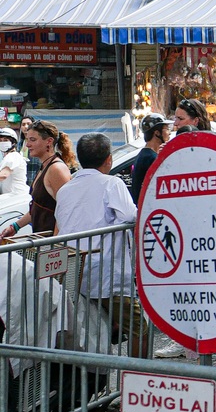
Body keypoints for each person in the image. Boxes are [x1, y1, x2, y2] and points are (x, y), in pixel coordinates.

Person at [53, 133, 148, 358]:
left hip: (75, 275)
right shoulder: (111, 183)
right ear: (109, 160)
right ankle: (137, 380)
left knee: (92, 331)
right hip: (105, 277)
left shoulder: (66, 189)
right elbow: (130, 215)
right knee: (141, 329)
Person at [1, 120, 76, 238]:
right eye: (27, 139)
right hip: (42, 242)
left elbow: (67, 211)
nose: (27, 145)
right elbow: (38, 206)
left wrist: (55, 245)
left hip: (52, 246)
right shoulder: (45, 166)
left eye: (33, 140)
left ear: (49, 142)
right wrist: (15, 226)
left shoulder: (56, 169)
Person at [130, 113, 172, 202]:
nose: (170, 132)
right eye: (167, 129)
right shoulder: (149, 158)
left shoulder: (146, 154)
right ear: (157, 133)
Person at [0, 127, 29, 196]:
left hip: (17, 197)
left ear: (13, 143)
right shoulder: (7, 157)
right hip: (11, 196)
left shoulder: (14, 156)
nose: (2, 143)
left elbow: (3, 175)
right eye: (0, 140)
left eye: (5, 140)